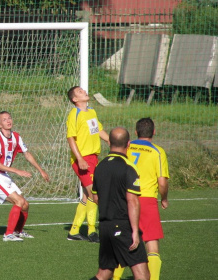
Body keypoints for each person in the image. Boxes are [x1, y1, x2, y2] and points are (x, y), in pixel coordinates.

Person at [90, 127, 150, 280]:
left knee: (104, 274)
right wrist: (135, 231)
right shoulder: (128, 167)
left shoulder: (100, 167)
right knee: (142, 275)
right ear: (128, 144)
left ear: (109, 142)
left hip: (104, 227)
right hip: (123, 226)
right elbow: (132, 201)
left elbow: (96, 198)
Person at [113, 118, 169, 280]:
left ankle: (115, 277)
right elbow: (162, 182)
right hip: (146, 199)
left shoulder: (127, 147)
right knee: (151, 242)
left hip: (125, 198)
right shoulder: (157, 151)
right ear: (154, 132)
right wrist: (164, 198)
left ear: (136, 132)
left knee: (123, 241)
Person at [0, 111, 50, 241]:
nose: (8, 121)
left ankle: (18, 231)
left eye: (9, 118)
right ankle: (8, 235)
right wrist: (17, 171)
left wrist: (40, 170)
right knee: (19, 201)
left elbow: (27, 154)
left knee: (25, 205)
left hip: (4, 175)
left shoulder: (16, 136)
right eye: (4, 120)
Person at [65, 86, 109, 242]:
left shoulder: (91, 112)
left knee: (87, 195)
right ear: (75, 99)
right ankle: (92, 232)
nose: (84, 91)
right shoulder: (74, 114)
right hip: (82, 160)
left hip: (93, 158)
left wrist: (111, 141)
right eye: (80, 92)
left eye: (83, 90)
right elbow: (71, 138)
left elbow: (97, 130)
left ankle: (74, 231)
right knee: (94, 194)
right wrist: (80, 159)